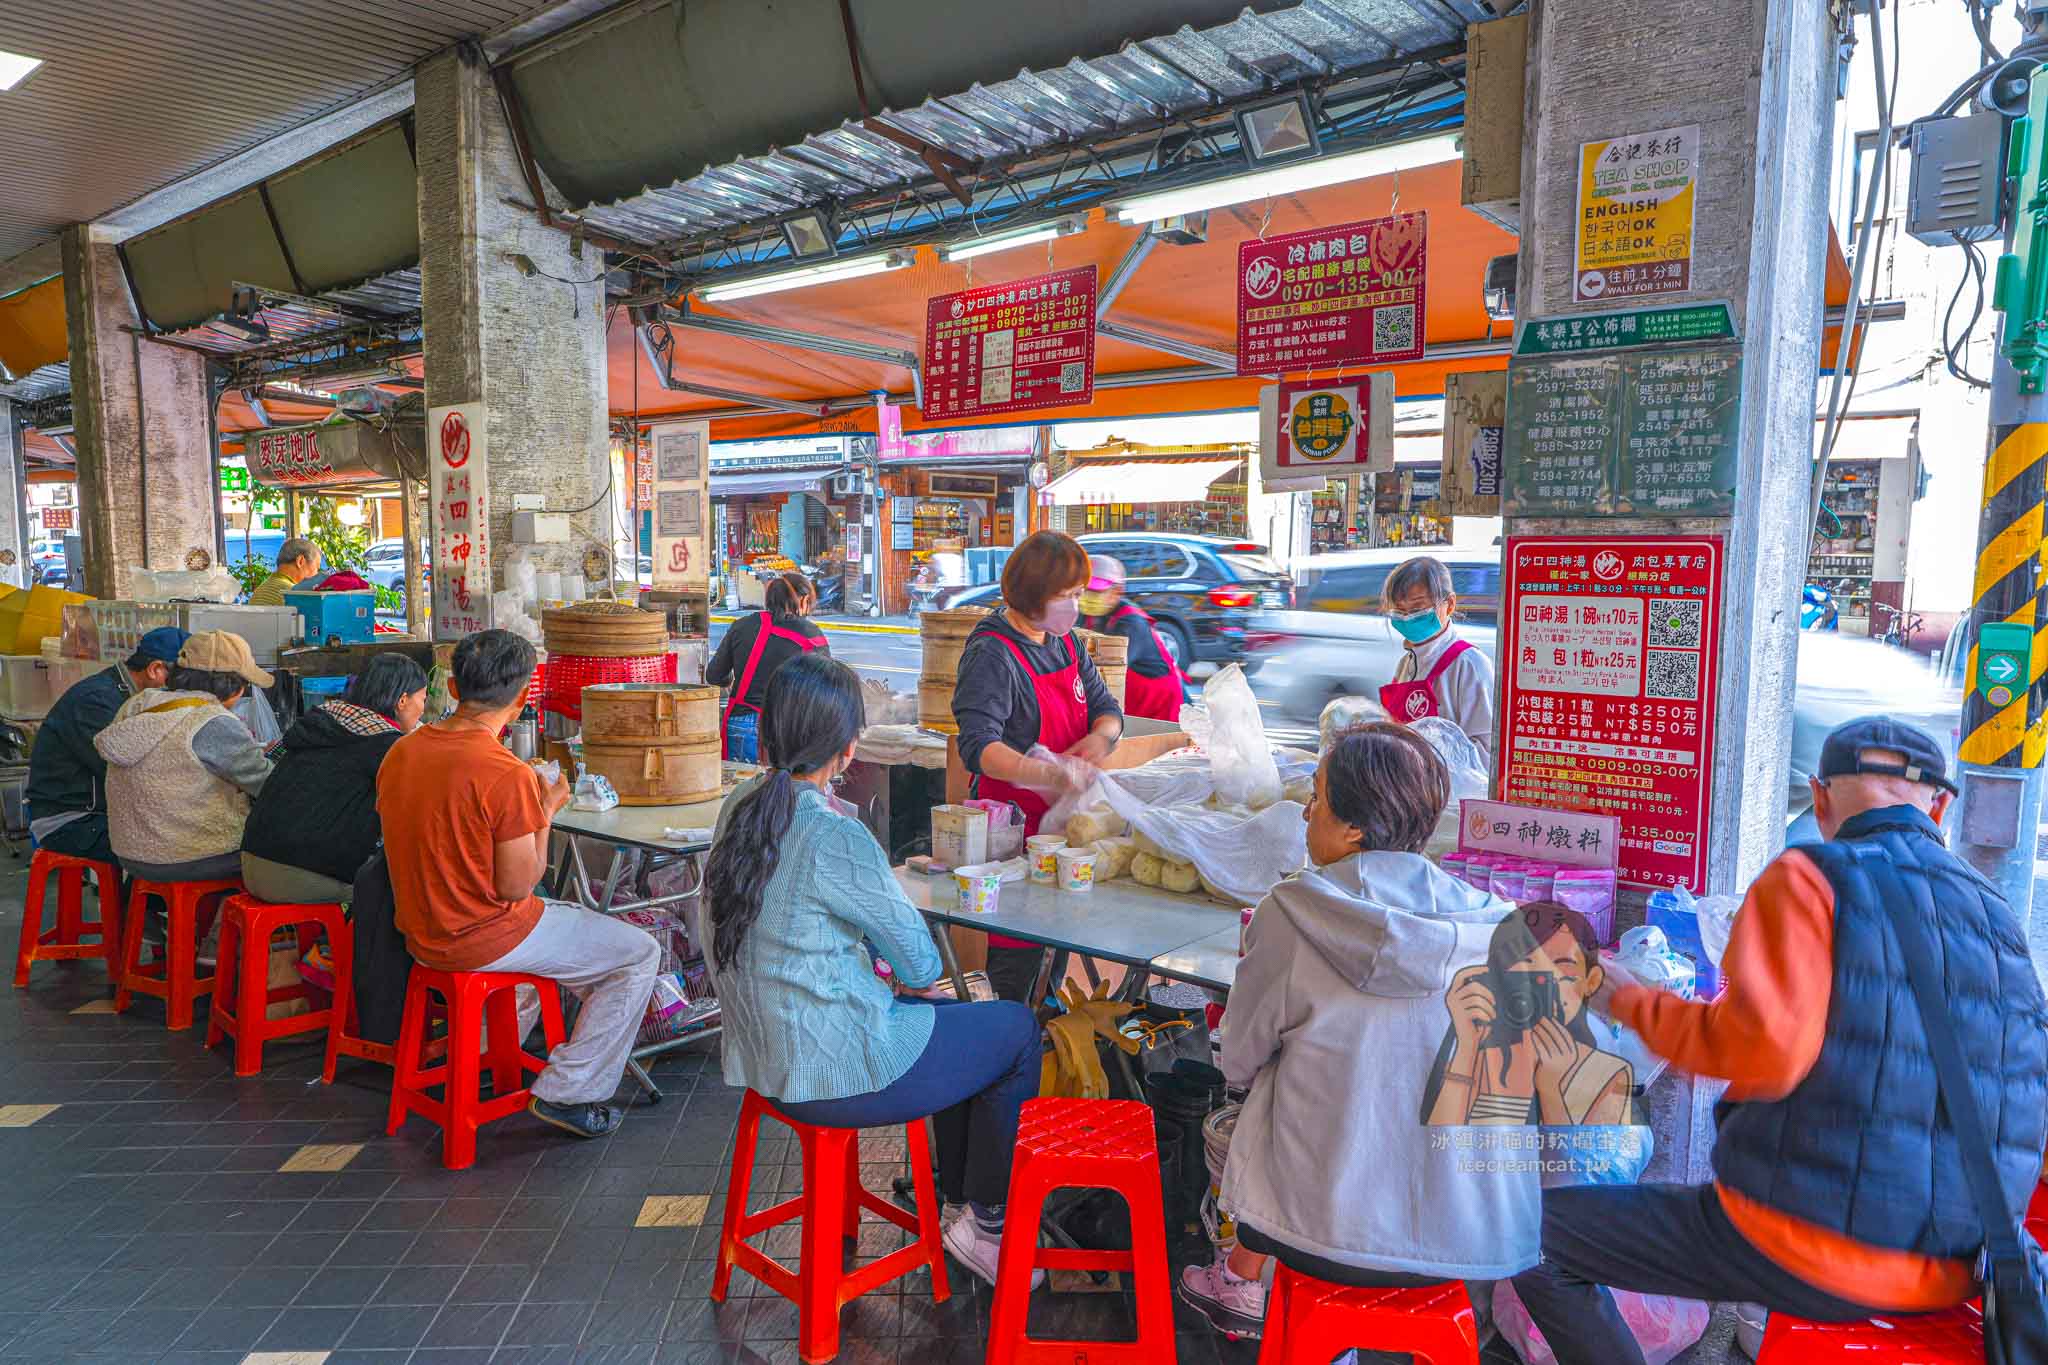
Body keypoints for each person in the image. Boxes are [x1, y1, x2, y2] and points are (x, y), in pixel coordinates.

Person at [1510, 717, 2048, 1365]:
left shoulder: (1807, 877)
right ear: (1938, 805)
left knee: (1522, 1239)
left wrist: (1622, 998)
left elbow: (1751, 1051)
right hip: (1966, 1260)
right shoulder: (2000, 915)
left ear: (1819, 799)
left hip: (1814, 1246)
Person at [1179, 722, 1536, 1339]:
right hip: (1469, 1239)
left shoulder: (1289, 915)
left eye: (1315, 797)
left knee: (1262, 1096)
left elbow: (1237, 1059)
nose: (1306, 813)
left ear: (1353, 827)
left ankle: (1243, 1281)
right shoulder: (1497, 926)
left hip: (1314, 1231)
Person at [704, 652, 1041, 1287]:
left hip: (762, 1055)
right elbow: (917, 957)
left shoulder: (740, 806)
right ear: (847, 744)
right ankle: (987, 1226)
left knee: (953, 1020)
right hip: (833, 1068)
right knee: (1014, 1031)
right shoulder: (832, 833)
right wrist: (905, 973)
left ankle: (959, 1209)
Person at [377, 628, 659, 1139]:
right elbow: (518, 886)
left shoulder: (402, 752)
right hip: (483, 937)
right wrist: (545, 812)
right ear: (526, 693)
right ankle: (569, 1092)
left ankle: (485, 1058)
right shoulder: (502, 773)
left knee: (553, 957)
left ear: (456, 689)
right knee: (638, 954)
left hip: (421, 933)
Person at [951, 530, 1123, 1003]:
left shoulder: (1065, 643)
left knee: (1054, 953)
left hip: (1065, 829)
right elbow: (979, 746)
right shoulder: (993, 652)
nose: (1076, 605)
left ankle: (1043, 1044)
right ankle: (1007, 1052)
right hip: (1011, 834)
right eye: (1066, 595)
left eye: (1077, 594)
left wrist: (1098, 738)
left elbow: (1108, 708)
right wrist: (1048, 773)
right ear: (1031, 596)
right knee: (1015, 964)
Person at [1421, 901, 1635, 1127]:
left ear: (1590, 981)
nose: (1546, 985)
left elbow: (1584, 1160)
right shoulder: (1473, 1041)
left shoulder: (1604, 1063)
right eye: (1527, 967)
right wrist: (1466, 1047)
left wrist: (1552, 1089)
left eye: (1562, 967)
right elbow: (1441, 1140)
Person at [240, 652, 428, 905]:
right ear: (403, 700)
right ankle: (353, 945)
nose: (423, 710)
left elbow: (273, 761)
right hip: (300, 875)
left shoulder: (320, 722)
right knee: (405, 892)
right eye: (423, 699)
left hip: (251, 859)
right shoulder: (387, 746)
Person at [94, 630, 275, 884]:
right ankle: (226, 922)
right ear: (233, 686)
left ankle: (154, 918)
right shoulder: (213, 720)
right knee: (276, 851)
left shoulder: (137, 704)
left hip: (131, 853)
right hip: (189, 857)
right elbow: (268, 784)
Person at [26, 625, 188, 866]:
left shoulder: (123, 693)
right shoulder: (96, 701)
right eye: (183, 680)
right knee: (177, 849)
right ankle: (145, 904)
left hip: (101, 813)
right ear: (155, 669)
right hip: (71, 820)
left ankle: (144, 902)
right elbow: (125, 774)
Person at [1378, 555, 1496, 765]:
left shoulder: (1469, 665)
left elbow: (1487, 753)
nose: (1407, 618)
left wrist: (1430, 757)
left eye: (1416, 610)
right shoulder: (1406, 663)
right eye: (1399, 611)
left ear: (1449, 604)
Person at [707, 571, 828, 761]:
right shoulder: (811, 635)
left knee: (740, 788)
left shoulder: (743, 625)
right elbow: (824, 692)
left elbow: (713, 675)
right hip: (786, 729)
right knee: (780, 790)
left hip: (741, 725)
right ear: (803, 600)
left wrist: (729, 680)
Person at [1077, 553, 1188, 721]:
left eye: (1097, 591)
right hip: (1134, 703)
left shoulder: (1132, 622)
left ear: (1118, 591)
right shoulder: (1086, 614)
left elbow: (1108, 666)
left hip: (1160, 704)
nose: (1089, 596)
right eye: (1086, 590)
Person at [248, 537, 322, 606]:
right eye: (317, 568)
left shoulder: (260, 591)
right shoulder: (293, 595)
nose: (316, 574)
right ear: (300, 561)